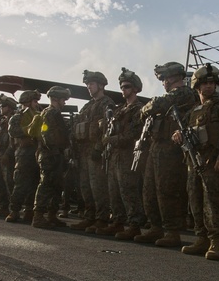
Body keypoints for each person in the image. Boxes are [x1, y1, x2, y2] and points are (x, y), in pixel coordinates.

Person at [175, 64, 219, 260]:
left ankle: (215, 241)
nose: (209, 86)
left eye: (212, 83)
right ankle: (201, 238)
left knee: (213, 202)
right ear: (197, 86)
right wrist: (177, 135)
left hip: (213, 162)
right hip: (194, 162)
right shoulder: (192, 111)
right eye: (205, 83)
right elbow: (183, 131)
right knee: (195, 200)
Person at [135, 62, 199, 247]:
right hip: (157, 147)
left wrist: (148, 108)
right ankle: (156, 227)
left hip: (171, 148)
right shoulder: (171, 96)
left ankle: (172, 231)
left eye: (164, 78)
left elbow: (157, 104)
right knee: (149, 189)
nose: (163, 82)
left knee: (167, 190)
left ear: (172, 77)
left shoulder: (185, 93)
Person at [104, 68, 146, 240]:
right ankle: (118, 221)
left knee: (128, 190)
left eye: (127, 86)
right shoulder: (120, 109)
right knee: (114, 190)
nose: (124, 90)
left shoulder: (138, 109)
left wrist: (113, 139)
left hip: (129, 154)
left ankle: (134, 225)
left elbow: (134, 134)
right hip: (115, 155)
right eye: (122, 87)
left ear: (135, 88)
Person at [70, 71, 115, 232]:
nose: (88, 87)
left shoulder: (107, 103)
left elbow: (108, 129)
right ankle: (89, 217)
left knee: (98, 187)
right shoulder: (87, 106)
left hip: (96, 152)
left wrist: (99, 148)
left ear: (101, 85)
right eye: (87, 84)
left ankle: (101, 219)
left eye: (91, 84)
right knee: (85, 187)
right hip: (83, 151)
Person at [30, 86, 72, 229]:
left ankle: (51, 216)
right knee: (46, 184)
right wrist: (54, 150)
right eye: (63, 100)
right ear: (56, 99)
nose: (64, 102)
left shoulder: (53, 113)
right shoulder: (50, 113)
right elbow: (46, 133)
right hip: (50, 155)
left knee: (56, 186)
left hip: (55, 154)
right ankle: (38, 216)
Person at [6, 90, 41, 223]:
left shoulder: (39, 115)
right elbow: (13, 131)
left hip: (36, 152)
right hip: (24, 154)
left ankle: (29, 211)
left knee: (34, 183)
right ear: (27, 102)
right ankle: (14, 211)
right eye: (34, 101)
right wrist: (28, 130)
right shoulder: (17, 117)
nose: (37, 104)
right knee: (20, 184)